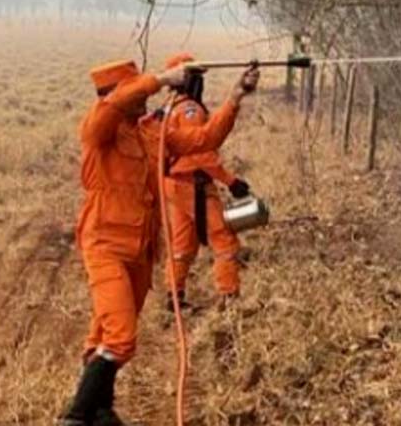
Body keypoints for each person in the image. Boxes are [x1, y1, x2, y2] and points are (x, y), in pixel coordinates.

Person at [57, 58, 260, 426]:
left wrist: (235, 96)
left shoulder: (150, 133)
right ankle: (76, 416)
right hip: (105, 245)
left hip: (140, 249)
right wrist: (161, 79)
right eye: (137, 90)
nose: (146, 98)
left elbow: (204, 139)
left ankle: (101, 409)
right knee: (120, 338)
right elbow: (113, 106)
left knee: (104, 334)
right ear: (120, 94)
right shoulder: (99, 130)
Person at [160, 52, 252, 311]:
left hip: (174, 185)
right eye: (197, 76)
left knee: (183, 243)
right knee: (224, 239)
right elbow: (200, 151)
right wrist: (230, 181)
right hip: (193, 184)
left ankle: (174, 297)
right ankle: (229, 297)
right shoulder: (190, 110)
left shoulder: (169, 108)